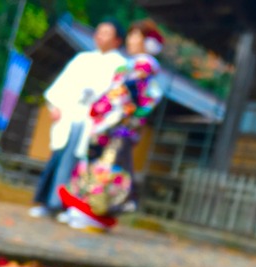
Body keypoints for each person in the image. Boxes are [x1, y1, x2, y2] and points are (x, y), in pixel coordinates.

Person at [59, 19, 164, 232]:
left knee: (105, 169)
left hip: (119, 125)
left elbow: (124, 93)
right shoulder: (133, 64)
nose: (132, 40)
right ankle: (85, 209)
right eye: (132, 35)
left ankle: (94, 212)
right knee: (98, 165)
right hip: (111, 125)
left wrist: (103, 105)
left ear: (149, 43)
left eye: (137, 37)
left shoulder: (143, 66)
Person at [28, 18, 127, 221]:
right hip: (71, 115)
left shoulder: (121, 66)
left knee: (81, 167)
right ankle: (48, 203)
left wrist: (103, 120)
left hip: (94, 123)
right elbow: (63, 85)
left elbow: (117, 98)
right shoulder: (82, 59)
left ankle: (71, 207)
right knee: (59, 158)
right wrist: (54, 105)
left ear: (117, 40)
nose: (100, 36)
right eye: (99, 31)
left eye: (106, 32)